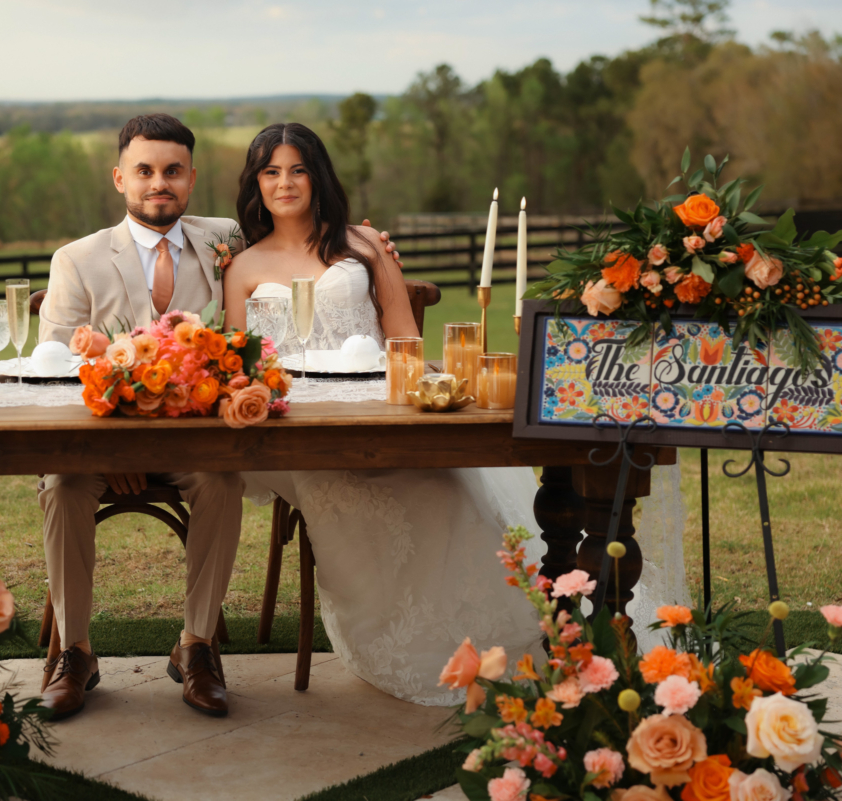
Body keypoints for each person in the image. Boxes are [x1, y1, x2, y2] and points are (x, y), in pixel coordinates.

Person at [224, 123, 687, 705]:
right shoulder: (241, 269)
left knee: (444, 489)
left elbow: (404, 342)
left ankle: (512, 632)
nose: (285, 182)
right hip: (294, 430)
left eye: (297, 169)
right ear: (256, 183)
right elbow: (238, 366)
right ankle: (404, 645)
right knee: (359, 497)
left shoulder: (364, 246)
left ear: (318, 177)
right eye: (271, 171)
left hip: (375, 409)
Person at [37, 113, 404, 719]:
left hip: (198, 441)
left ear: (191, 178)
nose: (160, 183)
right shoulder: (76, 260)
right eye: (145, 171)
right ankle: (74, 652)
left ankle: (197, 645)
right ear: (119, 178)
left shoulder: (225, 240)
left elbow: (295, 250)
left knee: (220, 479)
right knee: (63, 486)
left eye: (173, 171)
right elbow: (54, 373)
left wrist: (371, 245)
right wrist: (117, 450)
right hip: (100, 441)